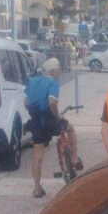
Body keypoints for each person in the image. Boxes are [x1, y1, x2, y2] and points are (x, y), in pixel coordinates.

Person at [24, 58, 81, 198]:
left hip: (36, 121)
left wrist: (33, 113)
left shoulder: (32, 81)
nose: (60, 73)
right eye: (59, 70)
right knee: (70, 128)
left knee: (38, 155)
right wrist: (57, 116)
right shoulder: (53, 82)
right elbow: (52, 102)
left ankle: (37, 189)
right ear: (53, 71)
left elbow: (25, 102)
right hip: (49, 120)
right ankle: (74, 158)